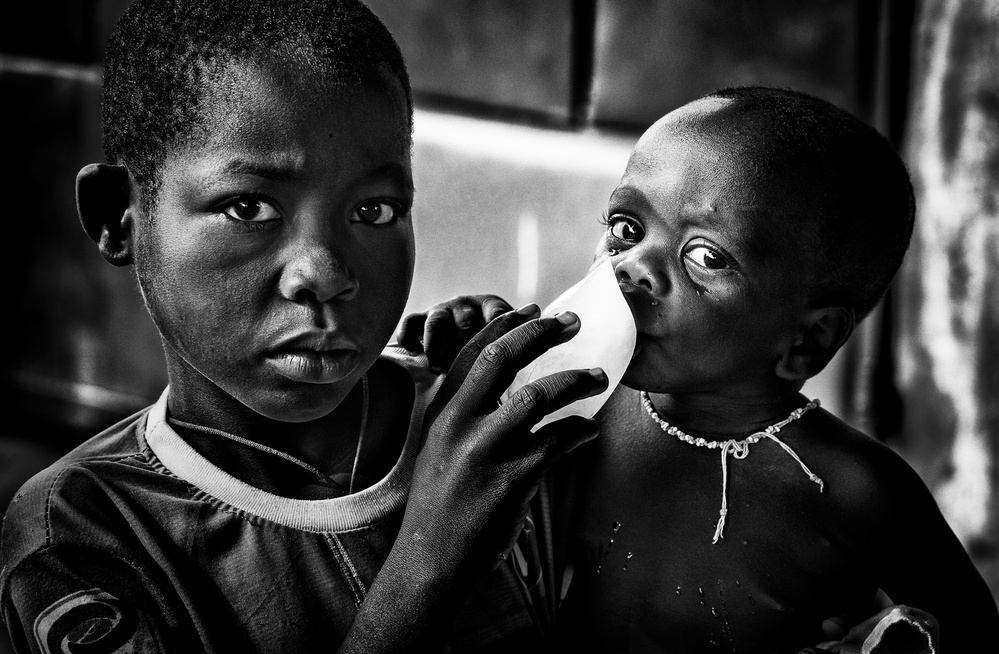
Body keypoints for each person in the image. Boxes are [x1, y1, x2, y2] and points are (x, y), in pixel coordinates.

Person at [0, 1, 611, 652]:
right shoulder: (78, 538)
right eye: (248, 206)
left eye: (373, 209)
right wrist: (433, 559)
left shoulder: (491, 433)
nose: (324, 273)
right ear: (118, 217)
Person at [397, 86, 999, 652]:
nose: (632, 267)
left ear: (807, 341)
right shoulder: (580, 408)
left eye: (705, 257)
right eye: (626, 230)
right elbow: (457, 505)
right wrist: (466, 359)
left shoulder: (858, 489)